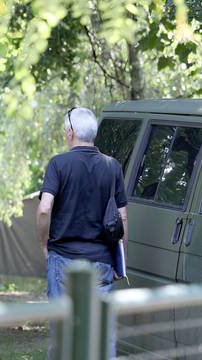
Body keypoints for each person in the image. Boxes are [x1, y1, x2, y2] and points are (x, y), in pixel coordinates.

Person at [36, 107, 128, 358]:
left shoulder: (58, 164)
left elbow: (45, 209)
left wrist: (44, 244)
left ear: (70, 133)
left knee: (63, 329)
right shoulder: (113, 166)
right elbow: (122, 217)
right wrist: (121, 261)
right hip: (102, 261)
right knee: (103, 330)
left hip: (64, 259)